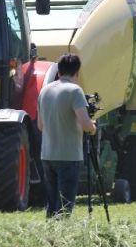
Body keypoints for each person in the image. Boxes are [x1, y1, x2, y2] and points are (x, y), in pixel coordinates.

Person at [37, 54, 96, 217]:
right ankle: (62, 239)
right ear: (77, 72)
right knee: (64, 206)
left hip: (47, 155)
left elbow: (40, 126)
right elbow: (85, 125)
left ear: (59, 71)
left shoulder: (44, 91)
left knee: (52, 205)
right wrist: (93, 128)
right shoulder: (75, 91)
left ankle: (50, 239)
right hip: (68, 156)